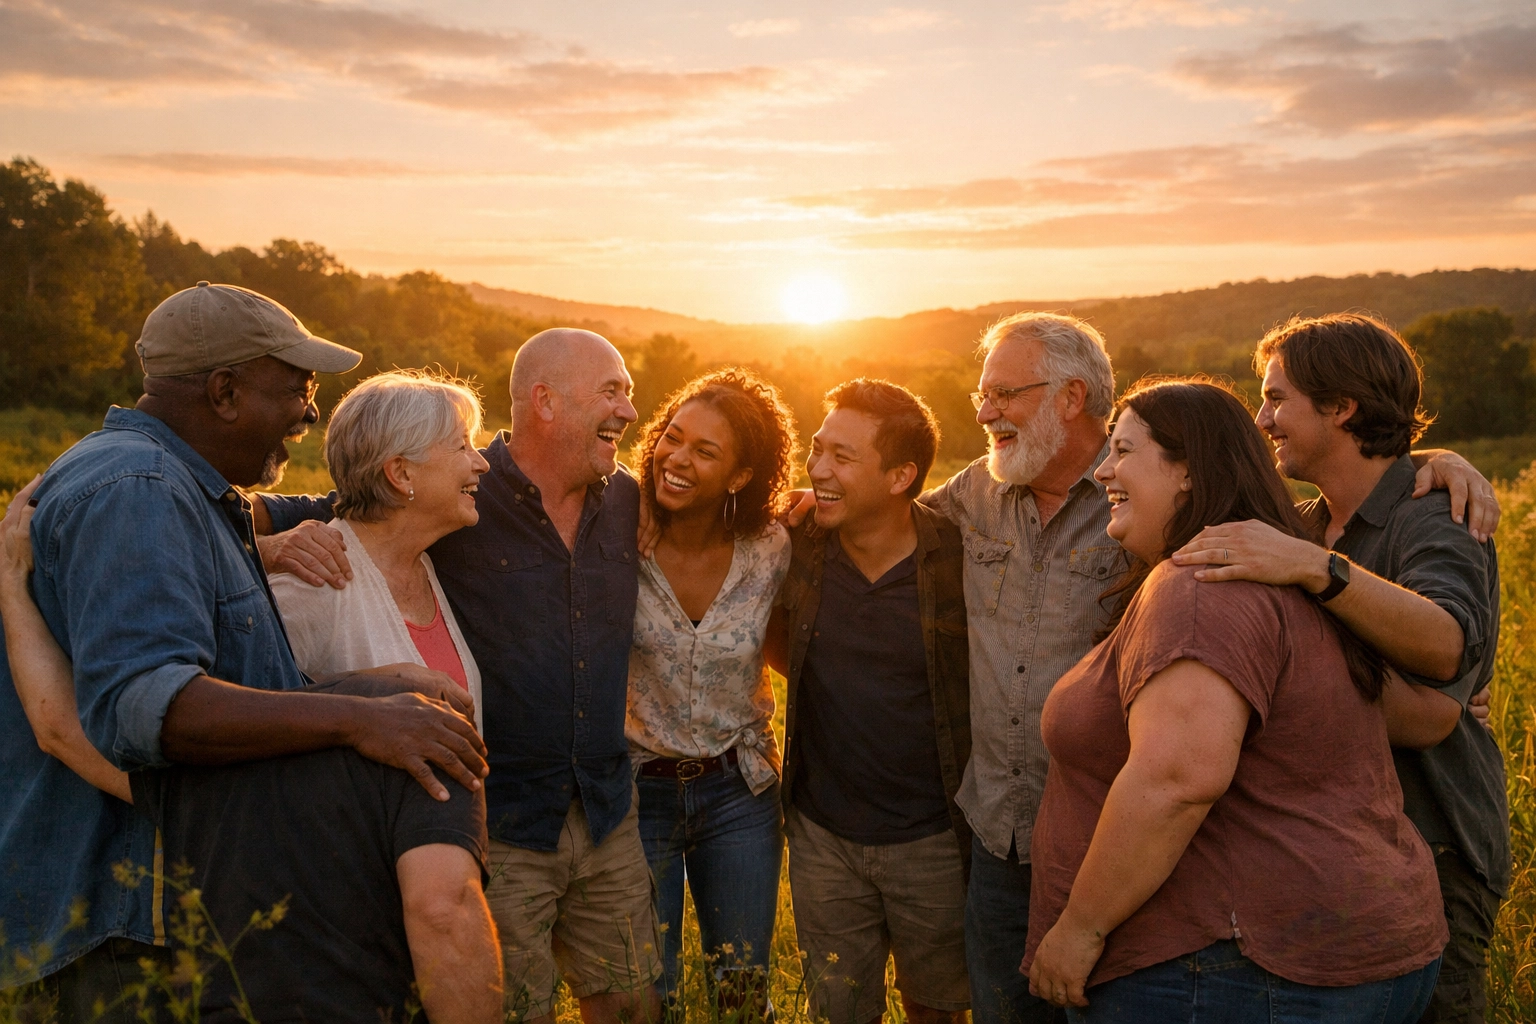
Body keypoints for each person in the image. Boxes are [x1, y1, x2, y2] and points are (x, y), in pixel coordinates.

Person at [883, 311, 1500, 1024]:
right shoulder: (1282, 528)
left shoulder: (1264, 558)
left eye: (1277, 398)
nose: (1263, 417)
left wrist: (1399, 494)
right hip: (1040, 836)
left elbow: (1442, 673)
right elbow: (887, 524)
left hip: (1396, 851)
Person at [0, 283, 488, 1017]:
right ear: (225, 391)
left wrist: (362, 684)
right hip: (128, 924)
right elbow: (148, 709)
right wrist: (361, 718)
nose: (311, 411)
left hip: (177, 914)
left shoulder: (185, 494)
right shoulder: (136, 489)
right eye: (297, 388)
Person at [257, 328, 662, 1024]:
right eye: (613, 392)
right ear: (545, 401)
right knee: (512, 1006)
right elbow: (276, 520)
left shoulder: (626, 500)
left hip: (603, 809)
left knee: (634, 1006)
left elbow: (734, 508)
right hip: (496, 822)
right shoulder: (461, 501)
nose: (629, 411)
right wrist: (266, 547)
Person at [1025, 377, 1445, 1022]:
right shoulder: (1268, 572)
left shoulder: (1203, 586)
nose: (1103, 469)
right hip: (1330, 948)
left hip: (1235, 970)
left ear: (1189, 471)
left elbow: (1178, 779)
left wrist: (1079, 929)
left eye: (1124, 450)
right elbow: (1419, 716)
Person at [1170, 314, 1508, 1023]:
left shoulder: (1433, 514)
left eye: (1276, 398)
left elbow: (1447, 648)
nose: (1262, 418)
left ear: (1342, 408)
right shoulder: (1300, 524)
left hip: (1432, 842)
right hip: (1336, 850)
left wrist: (1316, 571)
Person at [769, 379, 973, 1024]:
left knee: (937, 1008)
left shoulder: (958, 562)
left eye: (843, 458)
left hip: (933, 838)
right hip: (822, 833)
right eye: (817, 450)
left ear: (900, 475)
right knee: (839, 1010)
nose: (819, 470)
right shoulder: (795, 546)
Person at [627, 370, 798, 1015]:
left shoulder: (770, 548)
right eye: (673, 438)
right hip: (638, 789)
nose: (678, 458)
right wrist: (626, 492)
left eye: (706, 452)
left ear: (740, 476)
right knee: (648, 990)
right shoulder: (617, 537)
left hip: (739, 793)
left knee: (743, 990)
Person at [269, 370, 490, 733]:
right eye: (462, 445)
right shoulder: (313, 583)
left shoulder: (428, 566)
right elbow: (253, 721)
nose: (482, 463)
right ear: (401, 473)